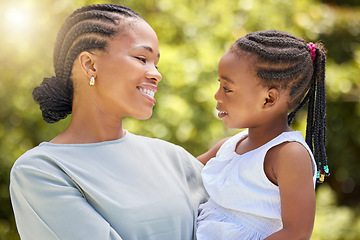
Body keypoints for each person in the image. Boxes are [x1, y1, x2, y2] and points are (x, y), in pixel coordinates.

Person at [9, 4, 208, 240]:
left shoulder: (175, 158)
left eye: (156, 63)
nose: (156, 73)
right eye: (141, 58)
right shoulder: (41, 171)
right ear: (90, 64)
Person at [196, 30, 329, 240]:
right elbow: (183, 172)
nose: (217, 95)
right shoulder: (229, 146)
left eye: (227, 88)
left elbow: (296, 233)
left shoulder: (289, 155)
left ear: (268, 99)